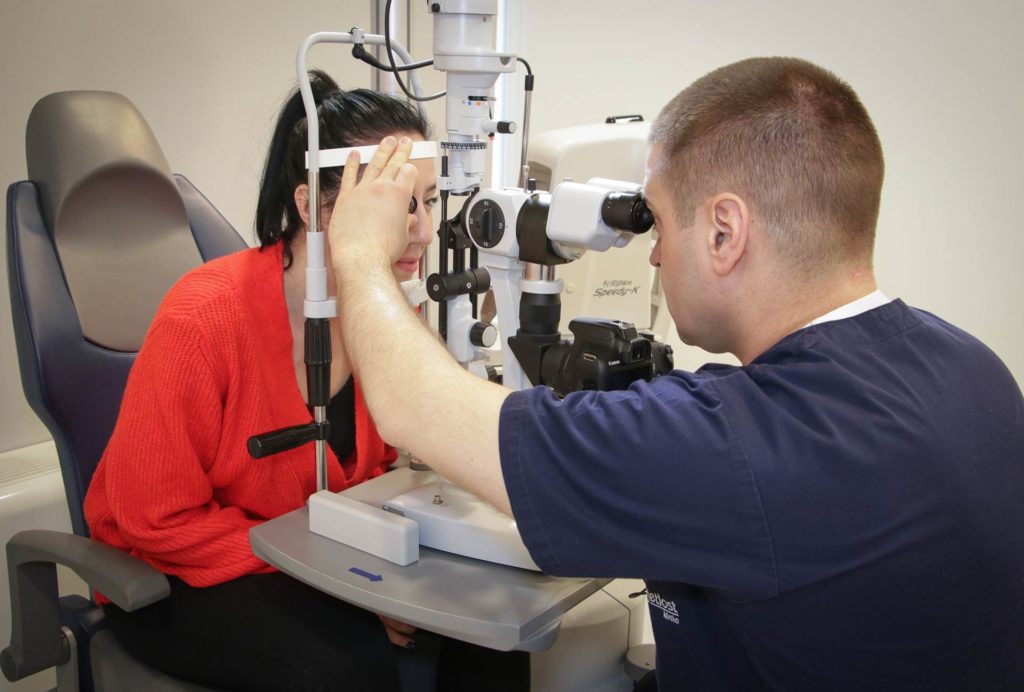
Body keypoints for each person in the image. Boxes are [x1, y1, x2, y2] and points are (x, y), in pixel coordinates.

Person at [325, 58, 1024, 691]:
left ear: (724, 232)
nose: (655, 257)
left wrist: (358, 251)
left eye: (658, 224)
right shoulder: (974, 368)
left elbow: (411, 407)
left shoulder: (738, 446)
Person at [83, 71, 530, 692]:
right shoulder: (202, 318)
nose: (424, 230)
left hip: (317, 549)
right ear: (311, 206)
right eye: (399, 204)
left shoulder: (383, 312)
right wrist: (345, 584)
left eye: (429, 201)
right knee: (346, 669)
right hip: (175, 570)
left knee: (492, 630)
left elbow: (392, 467)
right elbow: (153, 519)